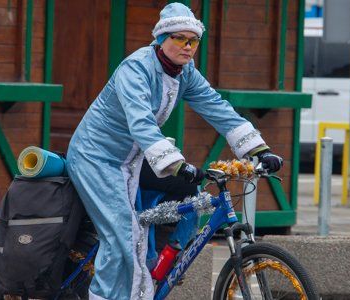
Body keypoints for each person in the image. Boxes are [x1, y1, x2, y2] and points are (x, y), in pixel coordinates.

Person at [64, 3, 283, 299]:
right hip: (96, 158)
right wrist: (176, 163)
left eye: (193, 40)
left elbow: (216, 106)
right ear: (161, 38)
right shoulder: (136, 68)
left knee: (189, 193)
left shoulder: (184, 72)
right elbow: (140, 122)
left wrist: (258, 149)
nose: (188, 46)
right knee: (122, 236)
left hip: (134, 159)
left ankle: (159, 269)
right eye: (180, 38)